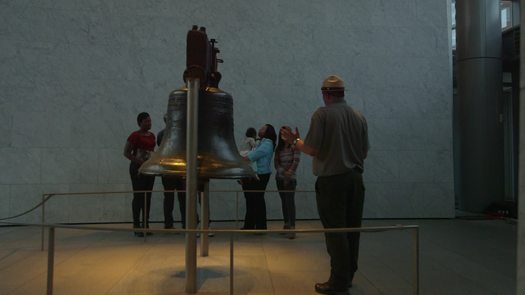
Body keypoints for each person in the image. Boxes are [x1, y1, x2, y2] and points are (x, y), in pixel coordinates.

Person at [281, 75, 369, 295]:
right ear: (342, 93)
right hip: (356, 180)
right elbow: (364, 152)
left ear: (325, 94)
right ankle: (348, 276)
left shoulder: (322, 114)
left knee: (335, 232)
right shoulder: (359, 116)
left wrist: (294, 141)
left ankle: (338, 281)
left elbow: (312, 149)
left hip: (332, 182)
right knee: (351, 230)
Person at [124, 112, 156, 237]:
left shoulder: (152, 135)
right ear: (140, 122)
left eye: (150, 120)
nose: (149, 123)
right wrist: (139, 162)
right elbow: (126, 152)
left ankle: (146, 224)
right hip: (137, 169)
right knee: (138, 197)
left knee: (148, 197)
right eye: (146, 121)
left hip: (149, 169)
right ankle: (136, 225)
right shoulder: (134, 135)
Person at [241, 124, 277, 230]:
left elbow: (253, 155)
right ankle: (249, 225)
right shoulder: (260, 142)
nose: (260, 129)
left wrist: (242, 158)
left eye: (263, 128)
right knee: (251, 200)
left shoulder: (267, 143)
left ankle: (260, 226)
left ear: (267, 131)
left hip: (261, 174)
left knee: (257, 200)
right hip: (254, 174)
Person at [157, 114, 186, 229]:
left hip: (168, 169)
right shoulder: (181, 133)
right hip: (178, 169)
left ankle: (169, 223)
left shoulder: (161, 134)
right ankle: (185, 222)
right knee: (181, 197)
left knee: (170, 198)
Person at [274, 126, 301, 239]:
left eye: (285, 133)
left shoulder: (294, 146)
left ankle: (292, 228)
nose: (283, 135)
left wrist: (288, 174)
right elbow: (276, 163)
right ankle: (286, 225)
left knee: (290, 202)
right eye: (281, 133)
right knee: (284, 202)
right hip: (280, 178)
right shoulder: (279, 148)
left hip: (290, 179)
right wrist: (283, 173)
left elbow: (296, 161)